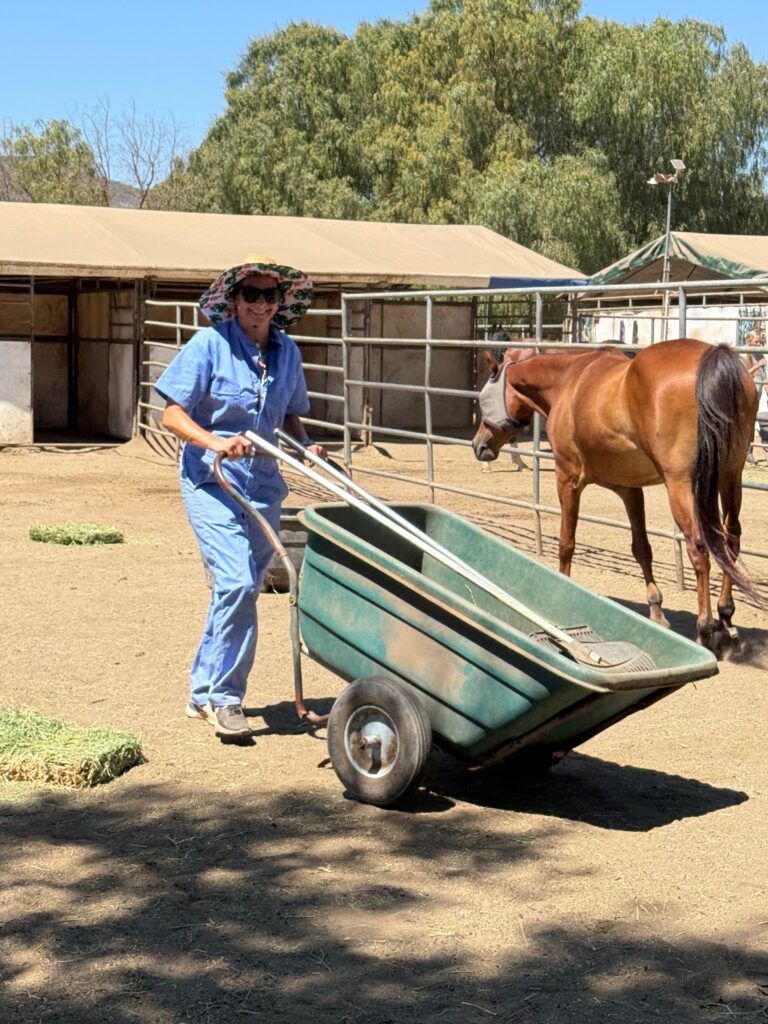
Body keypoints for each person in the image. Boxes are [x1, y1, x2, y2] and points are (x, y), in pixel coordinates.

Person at [154, 254, 324, 738]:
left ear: (280, 302)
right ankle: (225, 699)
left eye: (270, 295)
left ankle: (201, 691)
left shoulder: (288, 353)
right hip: (212, 480)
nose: (260, 304)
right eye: (251, 294)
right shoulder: (209, 345)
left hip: (263, 485)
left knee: (238, 588)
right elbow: (171, 414)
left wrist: (306, 444)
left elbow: (289, 416)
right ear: (233, 300)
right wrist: (215, 443)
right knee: (236, 583)